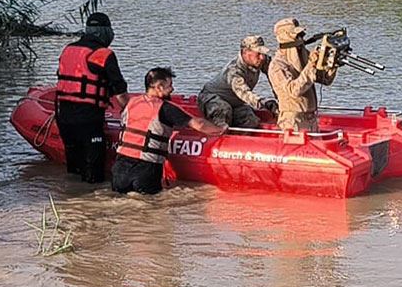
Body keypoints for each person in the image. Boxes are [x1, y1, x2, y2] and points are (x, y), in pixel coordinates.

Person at [112, 67, 225, 195]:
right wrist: (221, 130)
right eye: (169, 85)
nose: (172, 89)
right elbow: (199, 124)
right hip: (145, 169)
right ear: (159, 87)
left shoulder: (131, 103)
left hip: (120, 169)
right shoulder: (165, 108)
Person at [55, 12, 127, 183]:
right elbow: (119, 91)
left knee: (73, 169)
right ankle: (90, 201)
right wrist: (135, 113)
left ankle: (70, 199)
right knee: (93, 172)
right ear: (104, 32)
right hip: (88, 119)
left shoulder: (68, 49)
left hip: (63, 117)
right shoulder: (104, 54)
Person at [266, 17, 335, 132]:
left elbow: (325, 79)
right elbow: (294, 90)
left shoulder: (303, 56)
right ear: (286, 37)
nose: (301, 39)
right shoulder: (277, 65)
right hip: (293, 120)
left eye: (301, 35)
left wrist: (331, 62)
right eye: (297, 36)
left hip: (311, 118)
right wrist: (311, 65)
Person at [197, 34, 278, 129]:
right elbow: (244, 93)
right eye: (258, 54)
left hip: (235, 102)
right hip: (212, 97)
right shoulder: (234, 71)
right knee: (223, 109)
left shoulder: (262, 61)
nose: (262, 57)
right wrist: (264, 103)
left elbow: (276, 78)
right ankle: (217, 135)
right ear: (245, 52)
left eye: (263, 54)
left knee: (251, 122)